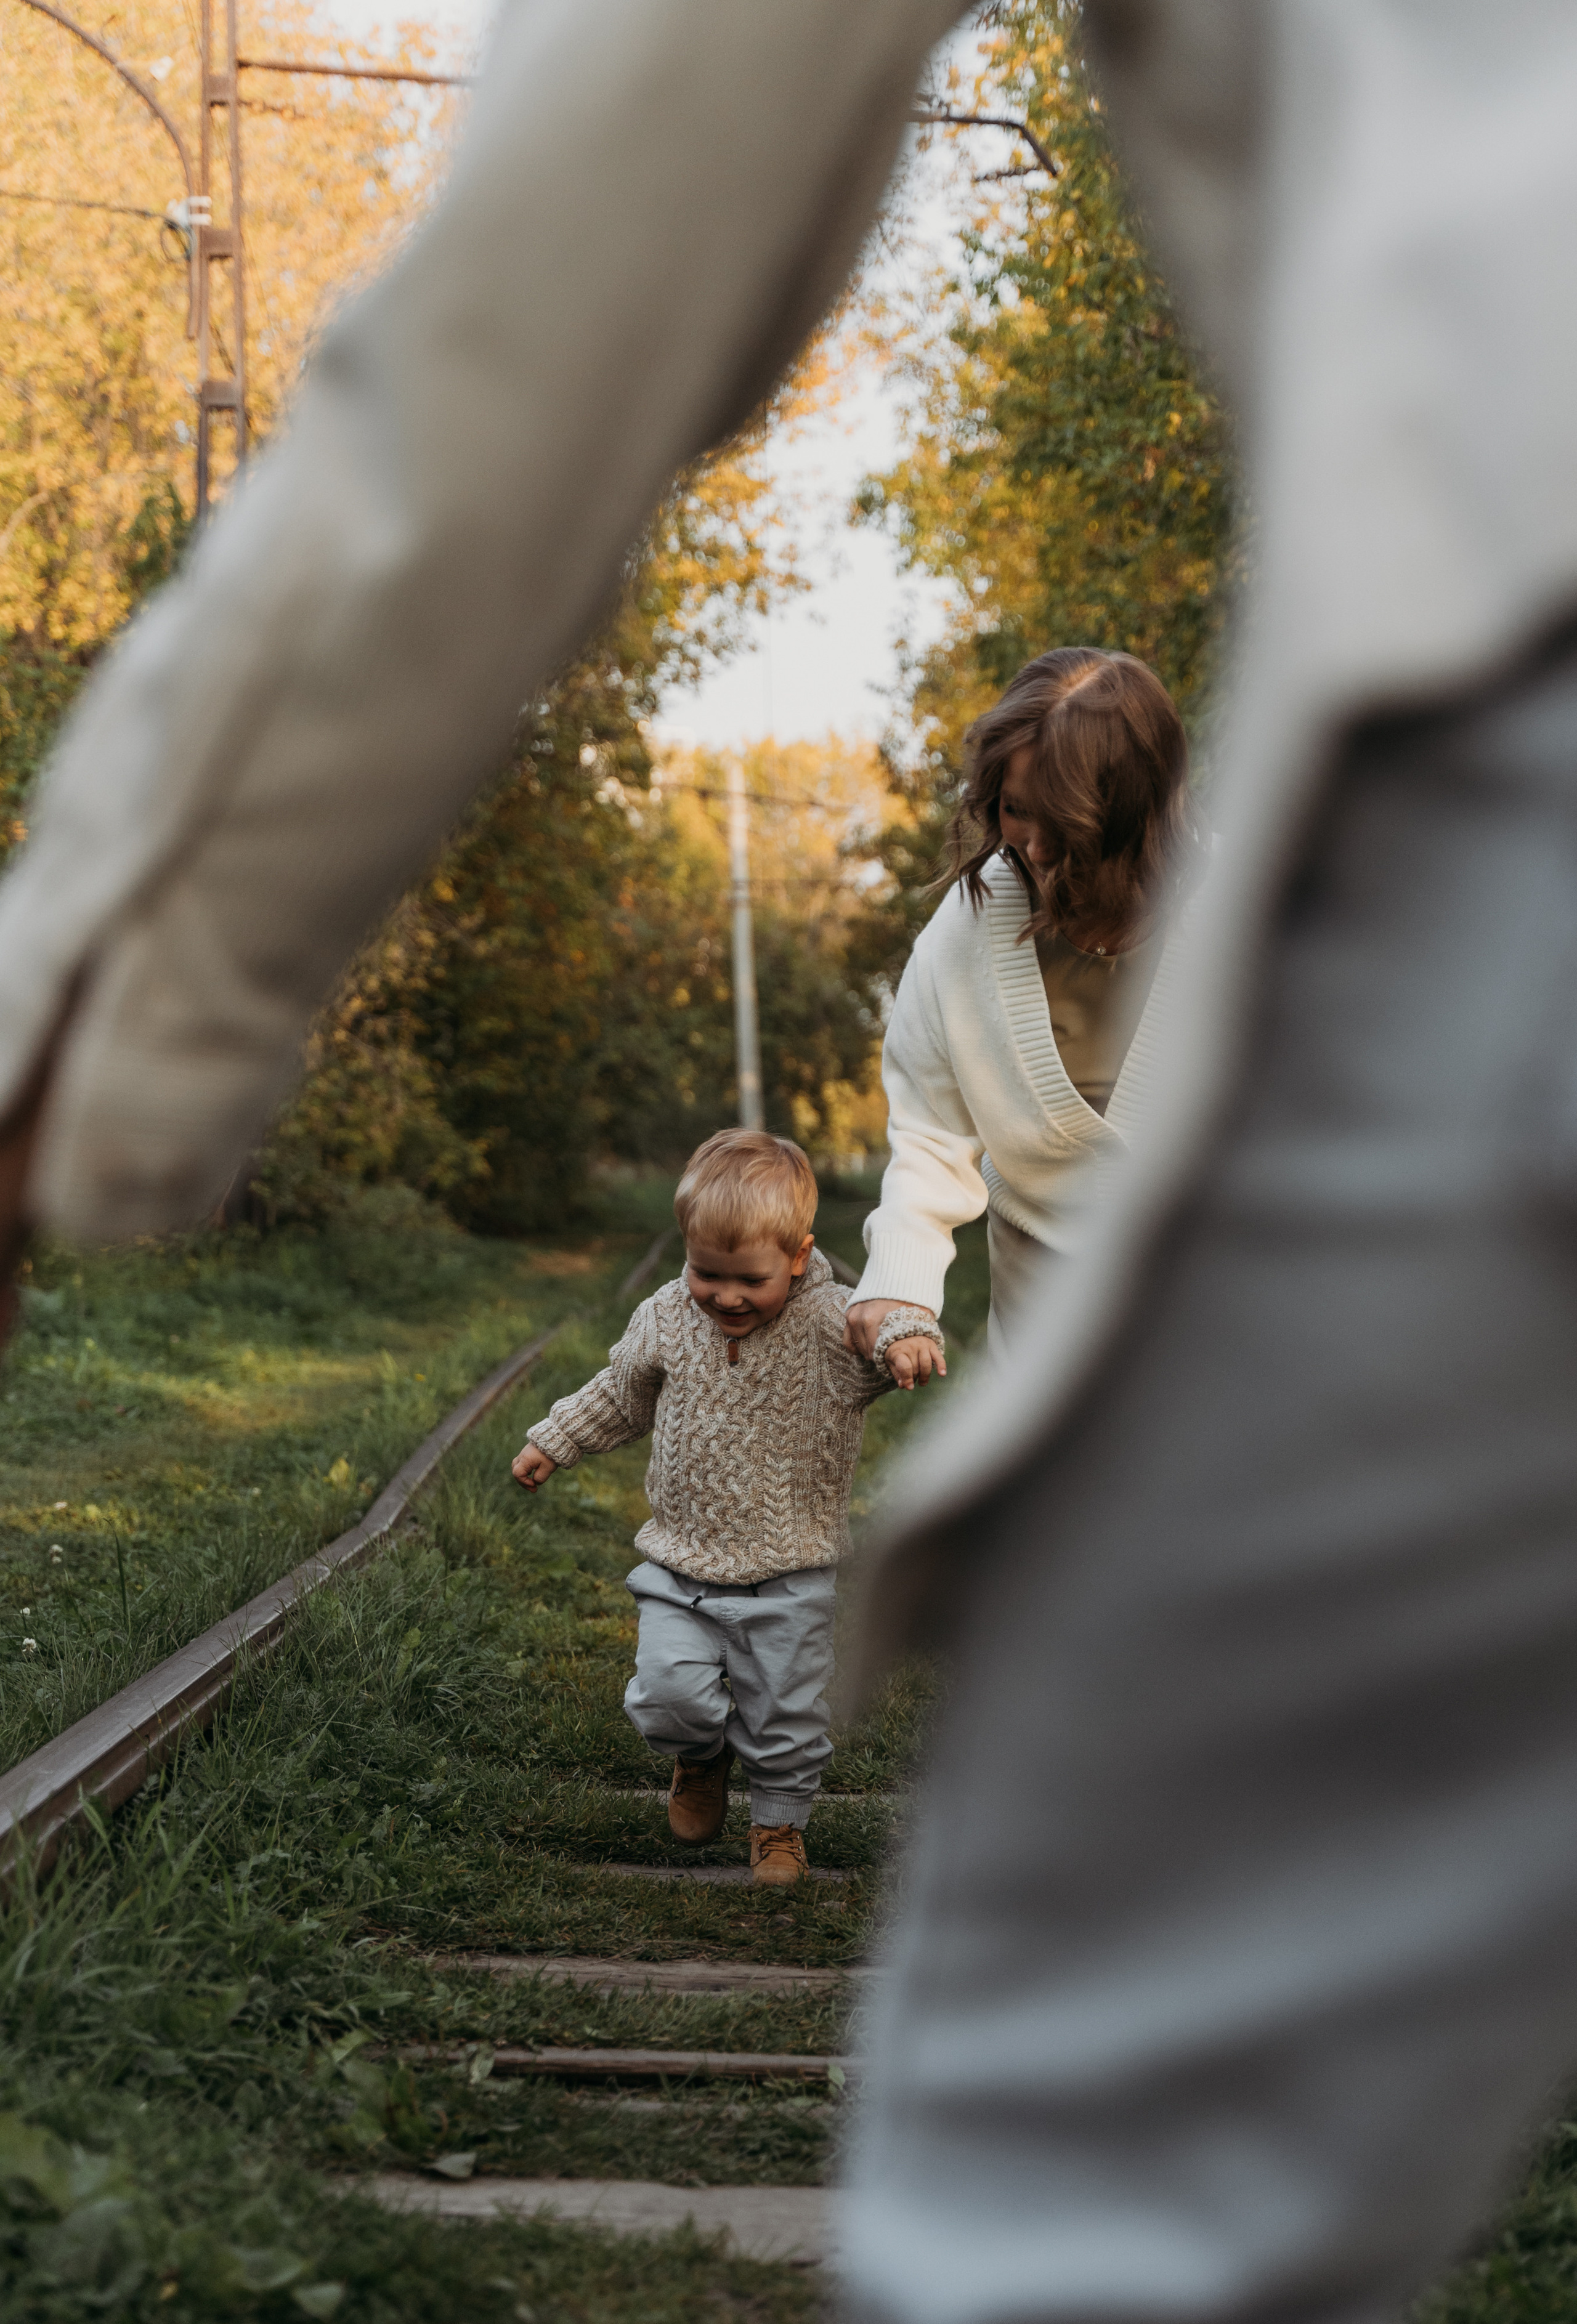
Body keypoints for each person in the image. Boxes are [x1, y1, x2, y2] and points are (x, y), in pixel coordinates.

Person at [1, 4, 1576, 2321]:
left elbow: (565, 261)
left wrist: (90, 1000)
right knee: (1189, 1957)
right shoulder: (960, 961)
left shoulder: (1289, 883)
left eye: (1069, 850)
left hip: (1489, 754)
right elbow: (930, 1149)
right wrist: (910, 1297)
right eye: (1011, 847)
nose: (1040, 877)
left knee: (1120, 2072)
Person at [508, 1128, 942, 1887]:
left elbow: (886, 1324)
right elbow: (620, 1393)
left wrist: (908, 1336)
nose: (726, 1296)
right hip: (681, 1561)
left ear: (800, 1256)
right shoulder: (668, 1314)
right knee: (668, 1689)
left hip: (791, 1570)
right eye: (707, 1272)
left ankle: (778, 1823)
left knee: (786, 1714)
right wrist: (556, 1439)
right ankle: (698, 1756)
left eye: (749, 1278)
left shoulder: (831, 1320)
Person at [844, 648, 1206, 1359]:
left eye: (1064, 826)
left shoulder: (1258, 907)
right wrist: (901, 1279)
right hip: (1039, 1304)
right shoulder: (967, 928)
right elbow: (929, 1128)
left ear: (1132, 812)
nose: (1034, 846)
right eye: (1014, 810)